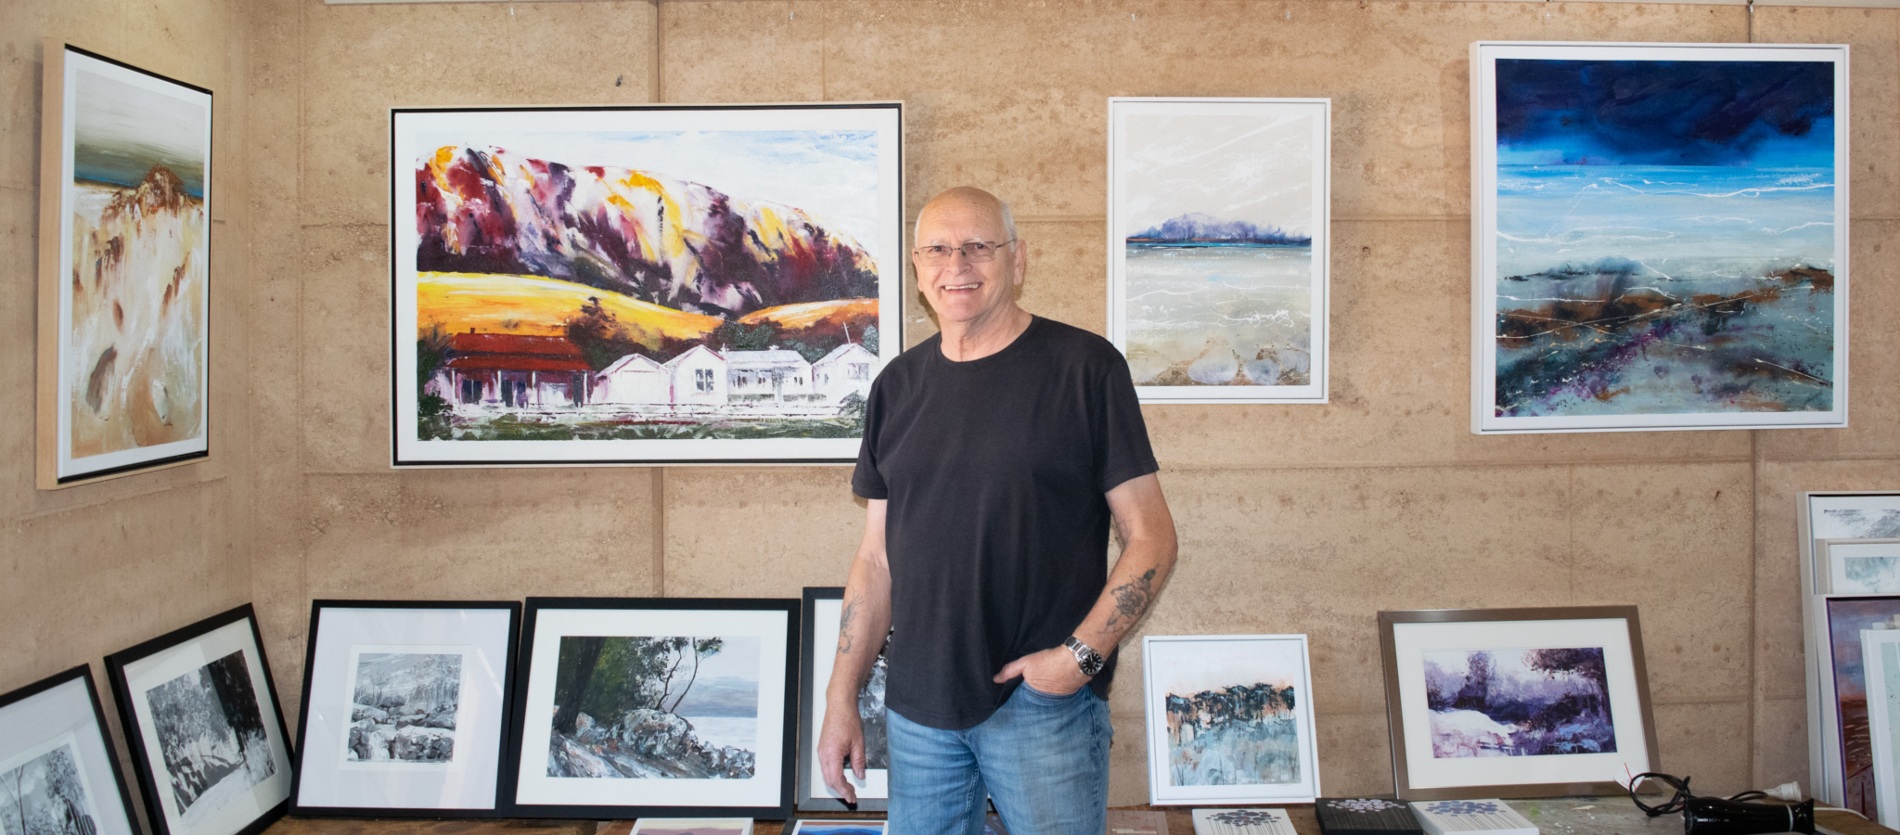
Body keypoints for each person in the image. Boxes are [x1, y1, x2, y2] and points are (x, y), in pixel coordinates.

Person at [817, 186, 1179, 834]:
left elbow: (1151, 537)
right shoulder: (894, 389)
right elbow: (875, 560)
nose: (957, 263)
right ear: (918, 270)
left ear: (1018, 261)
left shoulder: (1085, 370)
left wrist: (1077, 660)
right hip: (919, 712)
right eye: (938, 248)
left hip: (1042, 708)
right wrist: (840, 695)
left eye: (979, 245)